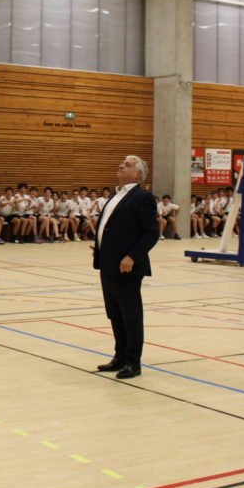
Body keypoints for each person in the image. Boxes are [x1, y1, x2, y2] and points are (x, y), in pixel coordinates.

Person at [93, 155, 159, 380]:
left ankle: (133, 362)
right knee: (115, 314)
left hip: (127, 267)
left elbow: (151, 233)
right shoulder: (116, 195)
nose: (121, 165)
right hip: (108, 264)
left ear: (138, 174)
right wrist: (102, 247)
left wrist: (132, 256)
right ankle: (119, 357)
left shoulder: (143, 197)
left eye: (127, 165)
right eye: (122, 163)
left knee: (130, 316)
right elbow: (114, 229)